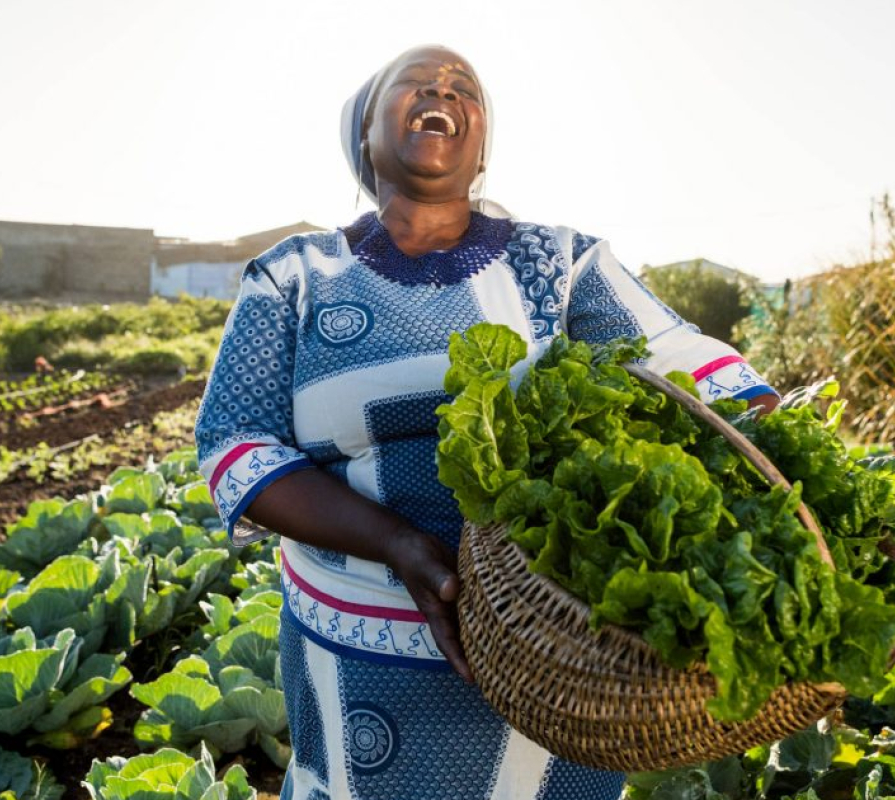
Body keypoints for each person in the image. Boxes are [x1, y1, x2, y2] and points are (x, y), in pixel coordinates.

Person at [195, 44, 779, 800]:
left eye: (463, 88)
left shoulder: (556, 262)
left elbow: (677, 357)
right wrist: (400, 544)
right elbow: (235, 444)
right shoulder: (296, 273)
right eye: (416, 83)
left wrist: (778, 445)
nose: (443, 90)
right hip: (360, 646)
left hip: (555, 647)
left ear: (481, 151)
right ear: (366, 133)